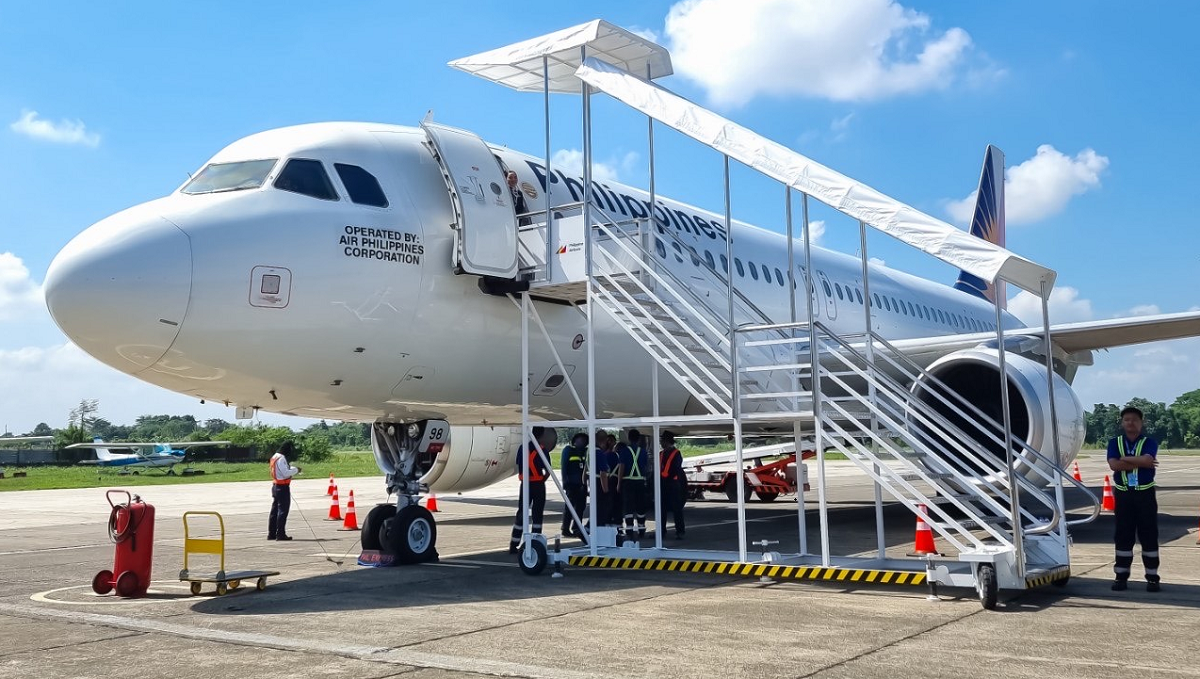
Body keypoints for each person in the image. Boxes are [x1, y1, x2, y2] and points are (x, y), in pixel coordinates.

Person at [1107, 406, 1161, 591]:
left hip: (1144, 494)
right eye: (1127, 419)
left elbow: (1148, 460)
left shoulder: (1149, 442)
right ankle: (1121, 576)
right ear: (1122, 423)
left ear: (1141, 422)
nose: (1131, 423)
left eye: (1134, 420)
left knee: (1149, 535)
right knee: (1123, 535)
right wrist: (1138, 460)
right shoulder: (1115, 442)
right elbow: (1114, 465)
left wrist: (1125, 459)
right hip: (1124, 495)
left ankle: (1152, 577)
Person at [509, 426, 556, 554]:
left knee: (521, 513)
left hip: (525, 484)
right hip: (538, 485)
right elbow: (548, 470)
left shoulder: (522, 448)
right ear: (541, 435)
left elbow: (519, 464)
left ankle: (513, 544)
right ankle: (535, 542)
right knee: (537, 514)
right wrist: (541, 480)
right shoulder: (542, 450)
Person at [617, 428, 650, 539]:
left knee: (628, 506)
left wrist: (619, 482)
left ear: (629, 438)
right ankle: (641, 528)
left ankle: (630, 529)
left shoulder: (624, 451)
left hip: (628, 482)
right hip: (640, 481)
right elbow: (646, 467)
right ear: (638, 438)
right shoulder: (643, 452)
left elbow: (621, 467)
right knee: (641, 506)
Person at [268, 441, 301, 541]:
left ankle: (272, 533)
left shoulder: (275, 456)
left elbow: (281, 470)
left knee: (274, 511)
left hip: (276, 485)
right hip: (282, 487)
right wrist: (296, 470)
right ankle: (280, 534)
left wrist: (292, 468)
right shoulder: (281, 458)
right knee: (282, 511)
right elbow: (285, 473)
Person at [560, 432, 588, 538]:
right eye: (581, 440)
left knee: (581, 507)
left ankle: (576, 528)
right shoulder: (568, 450)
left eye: (584, 441)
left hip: (582, 484)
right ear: (575, 441)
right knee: (570, 507)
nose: (583, 442)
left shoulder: (585, 452)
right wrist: (565, 482)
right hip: (571, 483)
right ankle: (565, 528)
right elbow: (564, 467)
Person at [659, 430, 686, 539]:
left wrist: (665, 476)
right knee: (661, 509)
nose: (661, 442)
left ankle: (680, 531)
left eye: (662, 440)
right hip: (662, 483)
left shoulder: (676, 453)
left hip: (673, 484)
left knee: (677, 509)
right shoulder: (661, 454)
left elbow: (676, 469)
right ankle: (661, 531)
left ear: (667, 441)